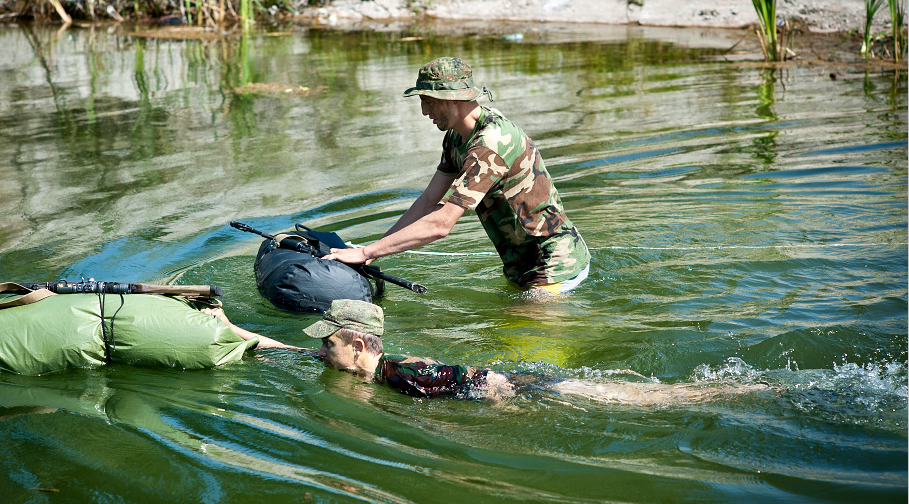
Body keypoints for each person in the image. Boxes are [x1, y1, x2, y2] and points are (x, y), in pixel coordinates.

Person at [322, 56, 591, 295]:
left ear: (452, 98)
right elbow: (429, 201)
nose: (424, 111)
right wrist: (370, 252)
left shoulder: (491, 145)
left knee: (532, 348)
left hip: (554, 265)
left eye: (428, 101)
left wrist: (366, 252)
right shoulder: (456, 137)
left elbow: (441, 224)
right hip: (521, 267)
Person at [203, 300, 769, 405]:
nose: (320, 352)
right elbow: (287, 351)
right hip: (522, 384)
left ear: (356, 344)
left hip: (527, 389)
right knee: (643, 396)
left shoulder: (403, 374)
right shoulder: (366, 369)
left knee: (647, 402)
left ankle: (748, 390)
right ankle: (738, 389)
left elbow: (476, 379)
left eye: (328, 342)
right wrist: (235, 330)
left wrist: (508, 406)